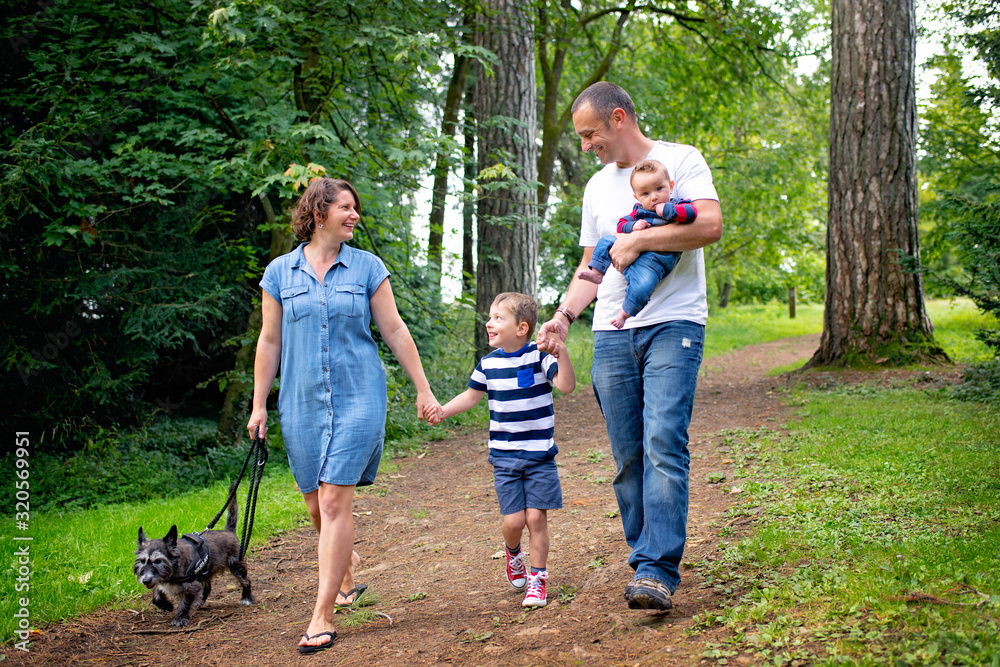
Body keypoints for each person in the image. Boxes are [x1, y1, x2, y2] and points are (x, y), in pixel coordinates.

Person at [536, 82, 723, 611]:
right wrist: (563, 316)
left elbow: (709, 224)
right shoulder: (597, 187)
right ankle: (645, 557)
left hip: (673, 322)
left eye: (589, 134)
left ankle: (658, 568)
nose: (585, 145)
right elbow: (590, 266)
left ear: (618, 118)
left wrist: (639, 238)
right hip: (610, 332)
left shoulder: (680, 160)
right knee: (627, 454)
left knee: (663, 439)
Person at [246, 177, 441, 654]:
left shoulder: (368, 267)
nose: (354, 216)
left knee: (334, 502)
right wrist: (258, 403)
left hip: (359, 396)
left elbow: (394, 329)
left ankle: (322, 615)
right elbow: (269, 341)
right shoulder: (279, 273)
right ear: (318, 213)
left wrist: (423, 388)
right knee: (317, 506)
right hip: (302, 400)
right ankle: (345, 563)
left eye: (355, 208)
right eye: (346, 208)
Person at [425, 292, 576, 608]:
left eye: (498, 318)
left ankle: (538, 580)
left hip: (540, 456)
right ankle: (513, 554)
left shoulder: (539, 356)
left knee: (536, 518)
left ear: (521, 328)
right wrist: (441, 411)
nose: (489, 323)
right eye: (490, 317)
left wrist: (561, 353)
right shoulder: (488, 364)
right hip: (505, 458)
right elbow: (470, 397)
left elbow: (566, 386)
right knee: (514, 522)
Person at [577, 159, 698, 329]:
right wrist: (633, 226)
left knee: (643, 286)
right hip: (629, 256)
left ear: (670, 186)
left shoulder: (677, 204)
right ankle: (597, 272)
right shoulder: (638, 212)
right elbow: (621, 225)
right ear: (637, 197)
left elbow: (692, 212)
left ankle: (624, 313)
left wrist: (669, 211)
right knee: (606, 240)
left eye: (659, 188)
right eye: (645, 194)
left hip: (653, 264)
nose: (654, 197)